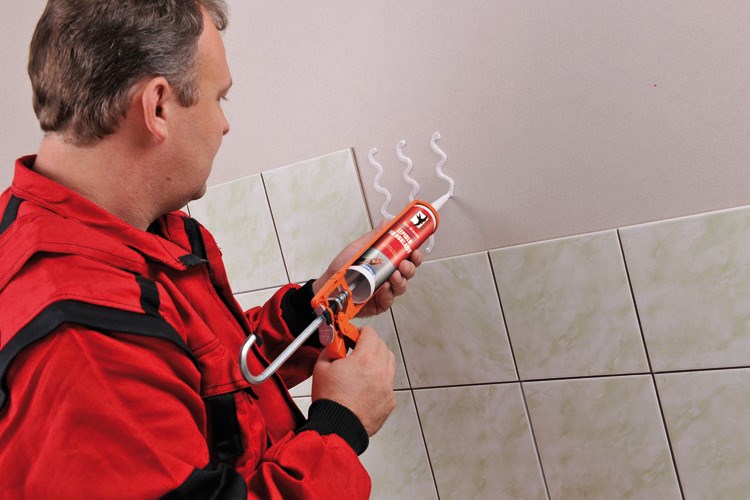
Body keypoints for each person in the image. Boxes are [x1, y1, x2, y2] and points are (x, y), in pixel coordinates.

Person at [0, 1, 421, 497]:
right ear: (158, 107)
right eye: (219, 98)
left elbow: (209, 378)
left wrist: (316, 308)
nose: (224, 124)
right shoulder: (80, 337)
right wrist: (340, 427)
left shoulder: (136, 233)